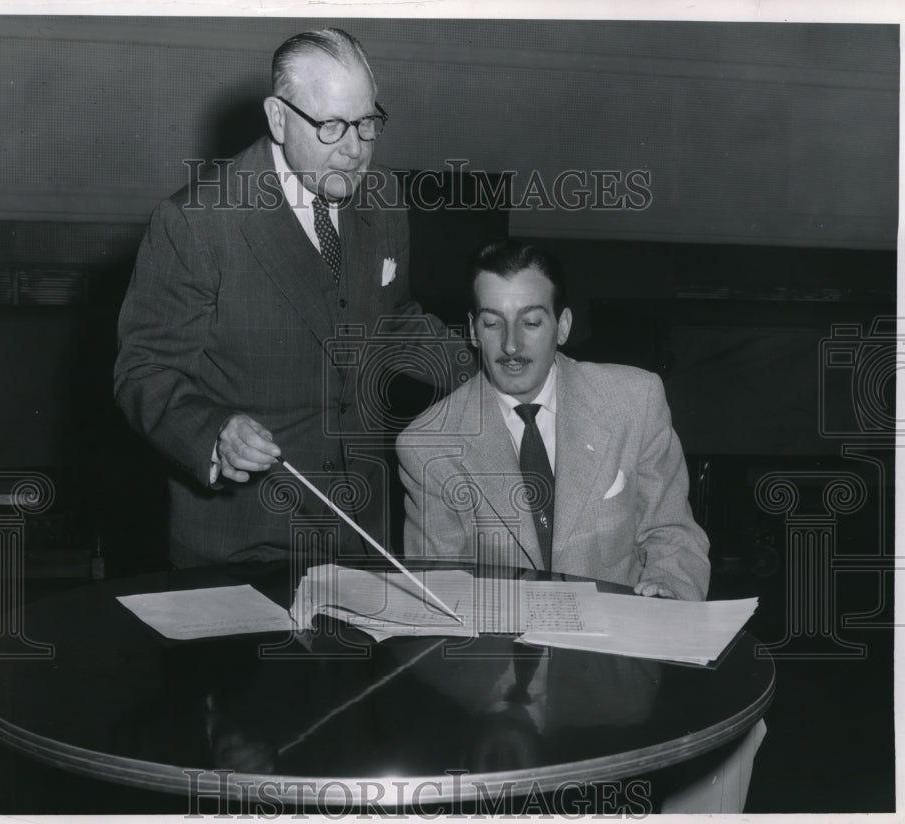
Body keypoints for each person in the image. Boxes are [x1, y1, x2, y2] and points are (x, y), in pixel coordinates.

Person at [115, 28, 464, 568]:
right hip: (242, 540)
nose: (355, 149)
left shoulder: (384, 198)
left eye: (367, 123)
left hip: (361, 533)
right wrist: (215, 432)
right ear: (278, 119)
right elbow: (145, 371)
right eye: (330, 126)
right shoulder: (197, 222)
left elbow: (391, 319)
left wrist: (493, 364)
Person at [396, 239, 710, 600]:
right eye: (492, 323)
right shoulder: (428, 445)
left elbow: (672, 533)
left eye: (530, 322)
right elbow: (439, 591)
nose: (511, 345)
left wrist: (669, 591)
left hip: (619, 633)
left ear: (562, 326)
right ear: (472, 330)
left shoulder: (635, 400)